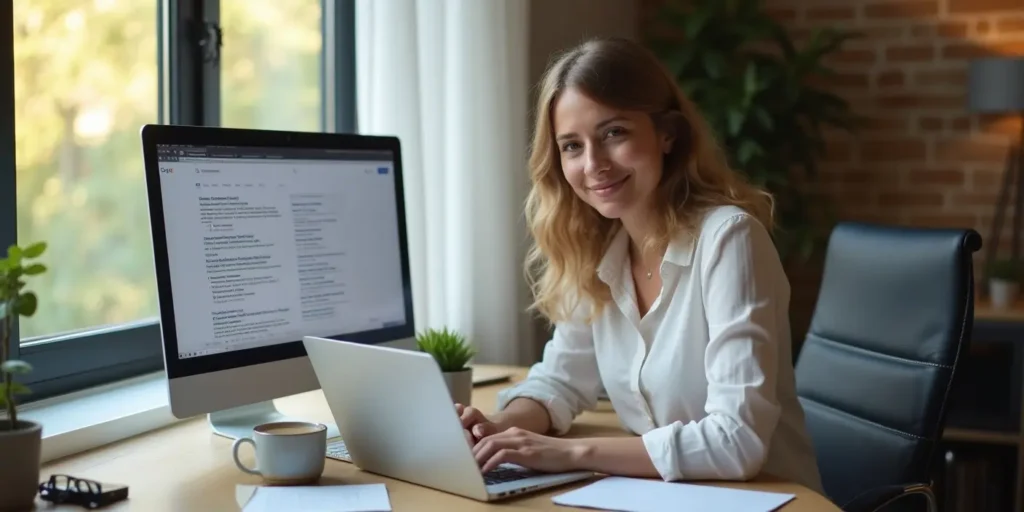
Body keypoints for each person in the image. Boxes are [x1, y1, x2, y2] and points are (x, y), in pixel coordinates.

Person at [455, 36, 824, 493]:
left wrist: (564, 453)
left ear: (667, 133)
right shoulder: (594, 246)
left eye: (614, 133)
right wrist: (503, 429)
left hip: (769, 497)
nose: (594, 165)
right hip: (664, 496)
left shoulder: (729, 239)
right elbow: (564, 378)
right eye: (571, 146)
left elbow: (737, 441)